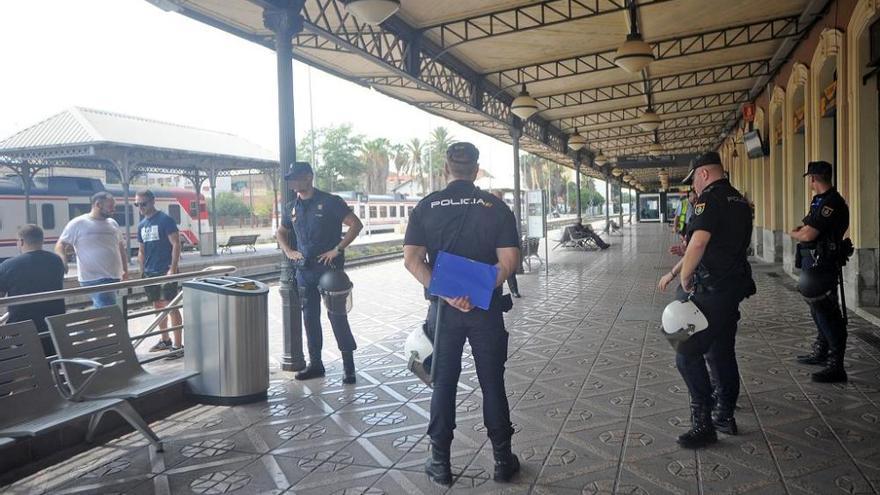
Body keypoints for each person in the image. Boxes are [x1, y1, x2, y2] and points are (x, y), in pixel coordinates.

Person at [403, 142, 521, 485]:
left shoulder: (426, 207)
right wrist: (477, 291)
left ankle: (440, 462)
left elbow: (412, 260)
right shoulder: (495, 207)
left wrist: (450, 293)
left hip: (443, 314)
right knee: (492, 382)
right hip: (486, 310)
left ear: (446, 168)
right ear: (476, 169)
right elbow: (509, 262)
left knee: (443, 384)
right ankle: (502, 460)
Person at [658, 151, 755, 448]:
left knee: (685, 352)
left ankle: (704, 424)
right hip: (732, 289)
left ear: (703, 174)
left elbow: (699, 242)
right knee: (720, 350)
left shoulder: (709, 199)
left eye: (694, 181)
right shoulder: (739, 200)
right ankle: (724, 413)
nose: (695, 188)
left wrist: (684, 276)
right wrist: (681, 265)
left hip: (709, 290)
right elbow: (714, 244)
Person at [276, 162, 363, 384]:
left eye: (296, 177)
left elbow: (355, 224)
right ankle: (316, 364)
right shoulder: (290, 208)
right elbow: (281, 231)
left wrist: (338, 249)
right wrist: (289, 251)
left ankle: (348, 366)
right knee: (310, 319)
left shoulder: (330, 202)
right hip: (305, 270)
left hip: (329, 270)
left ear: (309, 177)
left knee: (337, 317)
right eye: (290, 178)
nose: (292, 182)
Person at [789, 161, 850, 383]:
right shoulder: (821, 201)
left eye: (810, 179)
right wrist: (803, 232)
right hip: (815, 263)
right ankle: (822, 351)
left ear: (814, 178)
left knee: (828, 314)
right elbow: (807, 229)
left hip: (824, 264)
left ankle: (836, 365)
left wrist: (796, 234)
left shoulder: (831, 203)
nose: (810, 183)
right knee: (818, 311)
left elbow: (807, 234)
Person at [0, 225, 66, 354]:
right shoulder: (56, 261)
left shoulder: (9, 265)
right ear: (42, 240)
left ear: (22, 242)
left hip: (23, 332)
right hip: (53, 329)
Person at [56, 191, 128, 307]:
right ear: (98, 205)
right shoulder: (78, 223)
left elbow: (120, 248)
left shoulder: (113, 223)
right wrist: (63, 260)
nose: (113, 210)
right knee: (108, 311)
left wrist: (125, 271)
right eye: (110, 207)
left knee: (103, 310)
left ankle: (91, 324)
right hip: (94, 277)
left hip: (114, 276)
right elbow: (61, 244)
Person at [136, 190, 183, 354]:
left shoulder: (165, 220)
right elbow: (141, 250)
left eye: (143, 203)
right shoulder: (141, 225)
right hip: (150, 272)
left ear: (152, 201)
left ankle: (178, 345)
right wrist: (142, 271)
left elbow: (176, 244)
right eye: (137, 204)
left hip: (165, 270)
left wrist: (173, 268)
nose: (140, 207)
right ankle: (165, 339)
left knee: (170, 306)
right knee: (157, 306)